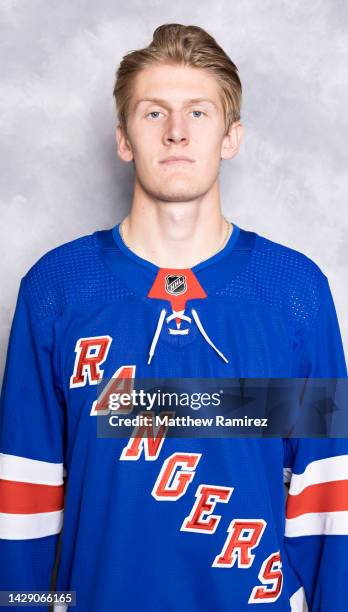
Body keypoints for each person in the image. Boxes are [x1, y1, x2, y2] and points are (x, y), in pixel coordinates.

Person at [0, 23, 347, 612]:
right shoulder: (57, 291)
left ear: (231, 136)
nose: (178, 133)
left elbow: (325, 503)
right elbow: (24, 505)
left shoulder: (294, 295)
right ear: (124, 139)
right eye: (154, 113)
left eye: (199, 113)